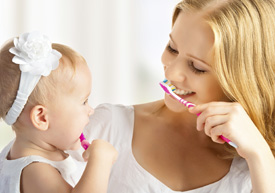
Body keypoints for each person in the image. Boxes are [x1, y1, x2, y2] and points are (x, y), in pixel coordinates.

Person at [70, 0, 275, 192]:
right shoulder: (106, 127)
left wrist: (261, 156)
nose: (170, 73)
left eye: (197, 67)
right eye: (172, 48)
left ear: (243, 80)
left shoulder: (257, 163)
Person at [0, 31, 118, 193]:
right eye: (83, 102)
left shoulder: (14, 150)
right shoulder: (36, 172)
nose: (90, 110)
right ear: (41, 118)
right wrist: (100, 160)